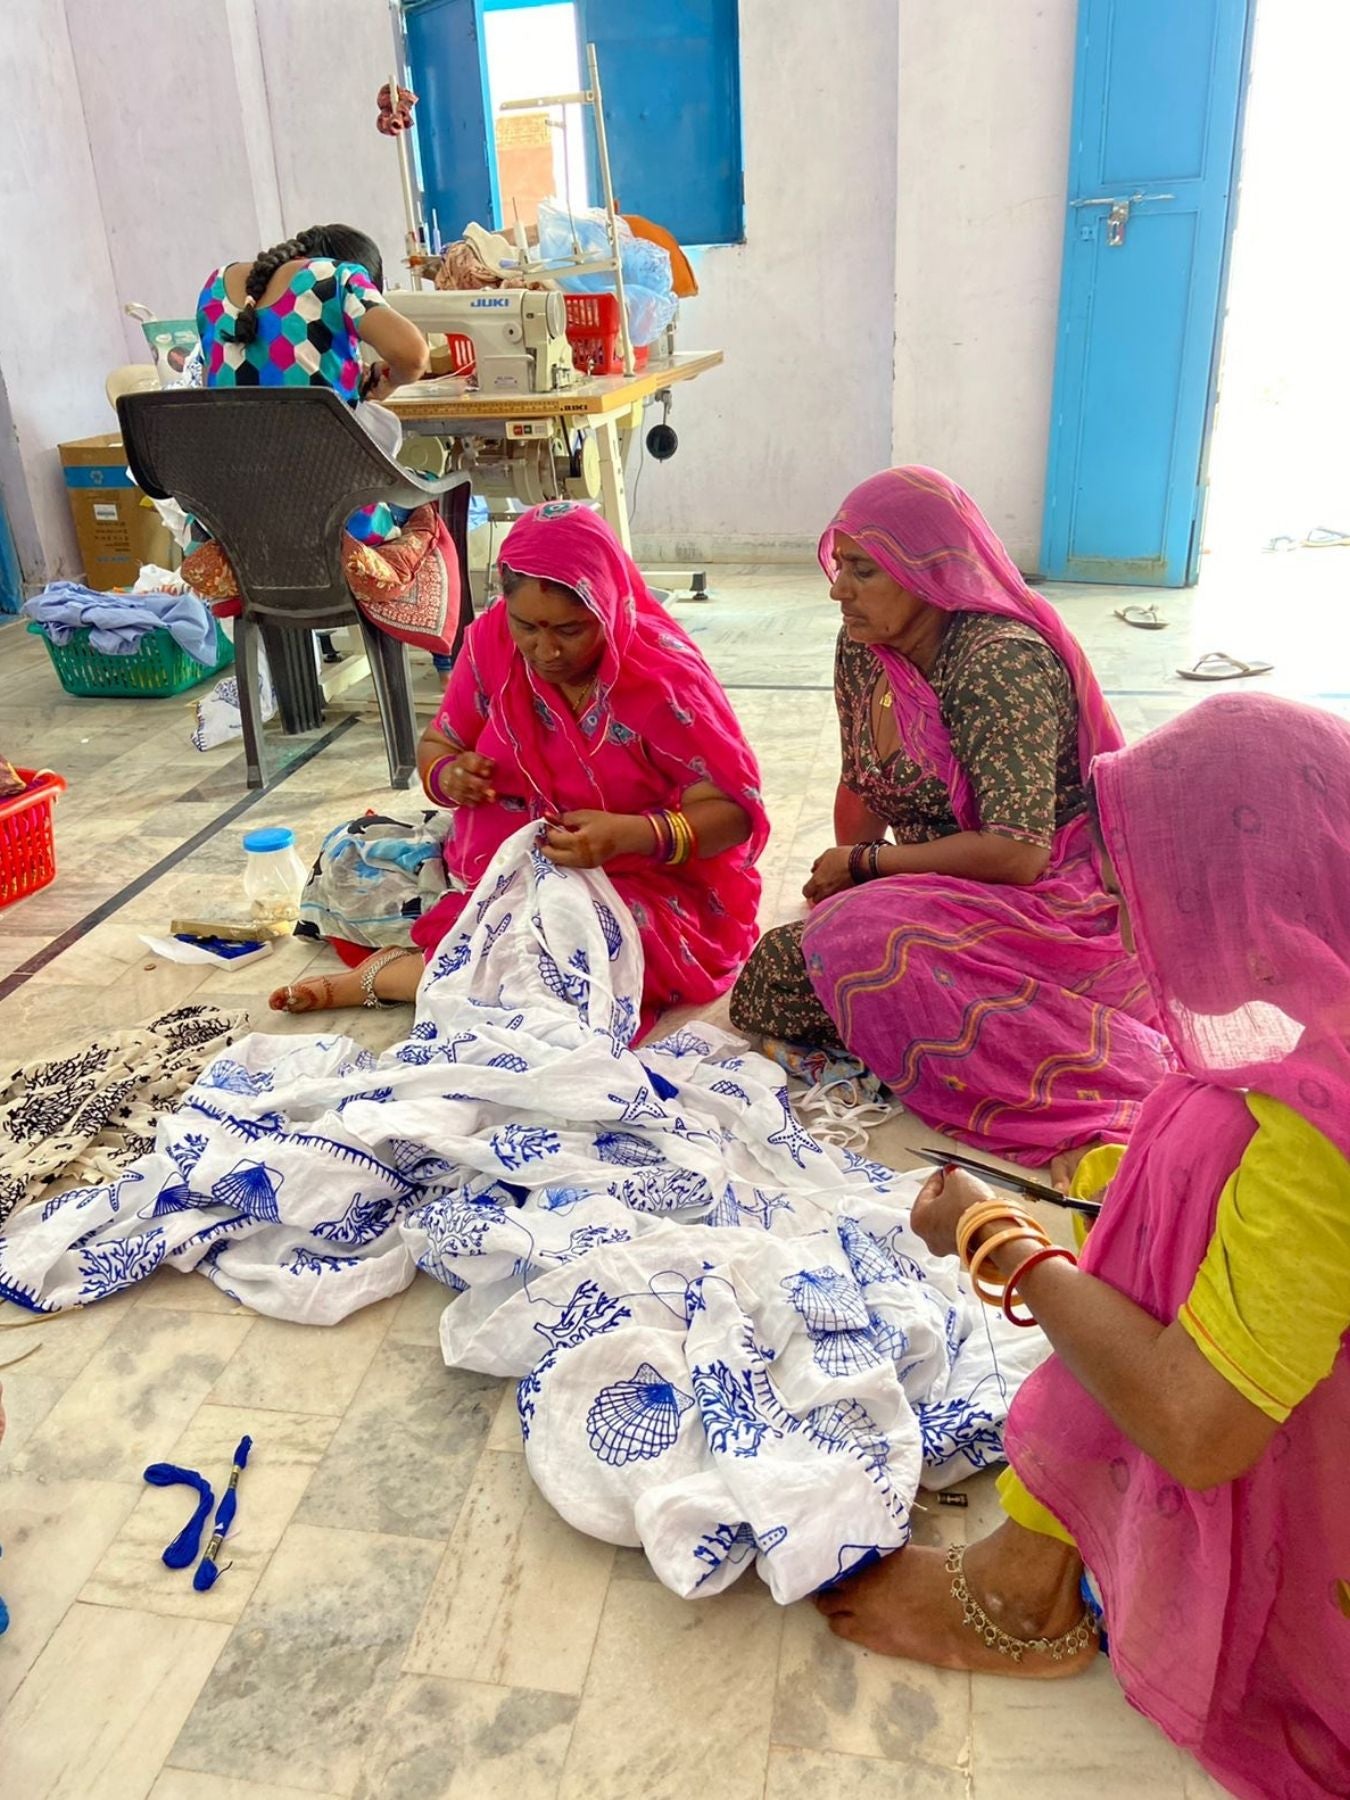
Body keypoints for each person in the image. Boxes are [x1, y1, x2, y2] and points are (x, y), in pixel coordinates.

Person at [817, 692, 1350, 1800]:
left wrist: (998, 1240)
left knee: (1203, 1139)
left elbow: (1201, 1428)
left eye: (1149, 884)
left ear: (1242, 886)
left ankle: (1025, 1591)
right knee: (1184, 1131)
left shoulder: (1321, 1133)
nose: (1121, 919)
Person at [729, 465, 1170, 1164]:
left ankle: (1030, 1031)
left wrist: (869, 868)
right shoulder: (864, 647)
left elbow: (1019, 852)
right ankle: (940, 1018)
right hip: (941, 886)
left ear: (927, 572)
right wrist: (849, 891)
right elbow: (863, 783)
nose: (839, 590)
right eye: (840, 565)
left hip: (1051, 898)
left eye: (864, 571)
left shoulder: (999, 664)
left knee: (820, 964)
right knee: (780, 975)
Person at [272, 501, 768, 1035]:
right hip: (500, 860)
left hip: (636, 877)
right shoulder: (492, 643)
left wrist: (630, 835)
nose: (546, 650)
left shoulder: (663, 680)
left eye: (571, 629)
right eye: (526, 626)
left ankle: (395, 978)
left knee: (568, 942)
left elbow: (732, 813)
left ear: (606, 604)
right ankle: (459, 952)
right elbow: (440, 743)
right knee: (347, 854)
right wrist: (450, 776)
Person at [188, 222, 430, 555]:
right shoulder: (340, 278)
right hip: (341, 527)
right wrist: (389, 381)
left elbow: (213, 397)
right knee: (430, 497)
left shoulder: (214, 287)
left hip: (235, 530)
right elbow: (413, 356)